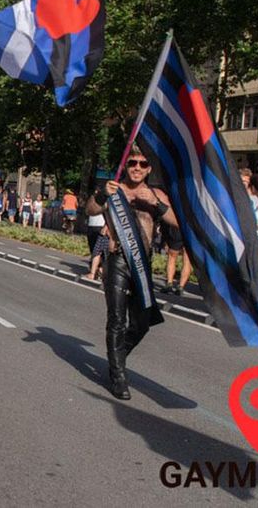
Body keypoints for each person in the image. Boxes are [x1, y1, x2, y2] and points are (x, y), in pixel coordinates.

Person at [85, 147, 177, 400]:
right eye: (132, 163)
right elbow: (90, 210)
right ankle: (118, 376)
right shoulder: (114, 189)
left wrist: (155, 203)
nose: (137, 167)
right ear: (125, 166)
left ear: (148, 168)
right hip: (117, 261)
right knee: (116, 318)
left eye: (142, 164)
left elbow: (176, 221)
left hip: (143, 263)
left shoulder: (155, 194)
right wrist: (103, 194)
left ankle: (117, 355)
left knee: (143, 322)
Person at [162, 223, 191, 296]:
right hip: (190, 228)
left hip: (177, 227)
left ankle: (169, 284)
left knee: (172, 257)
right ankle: (181, 287)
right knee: (187, 260)